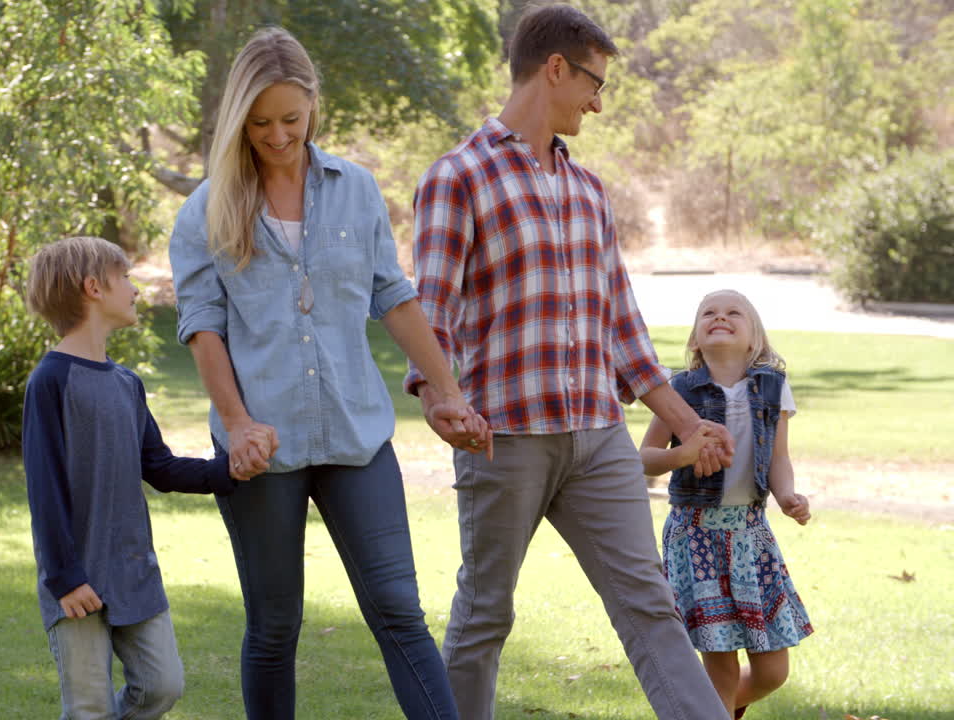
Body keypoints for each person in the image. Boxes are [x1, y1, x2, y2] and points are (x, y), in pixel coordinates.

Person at [406, 5, 739, 719]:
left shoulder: (589, 192)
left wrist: (689, 426)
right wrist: (440, 400)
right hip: (506, 438)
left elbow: (623, 330)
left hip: (597, 437)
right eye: (594, 81)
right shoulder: (457, 177)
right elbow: (429, 315)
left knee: (650, 605)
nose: (598, 99)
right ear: (554, 68)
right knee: (486, 613)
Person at [169, 27, 488, 720]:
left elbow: (394, 298)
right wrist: (237, 423)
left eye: (290, 118)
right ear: (238, 119)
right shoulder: (204, 212)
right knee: (275, 627)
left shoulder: (357, 190)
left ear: (314, 104)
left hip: (356, 435)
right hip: (262, 449)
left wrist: (449, 392)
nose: (277, 135)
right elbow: (203, 328)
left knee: (400, 610)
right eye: (259, 123)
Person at [21, 235, 270, 720]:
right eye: (126, 278)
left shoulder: (125, 383)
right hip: (75, 578)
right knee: (89, 707)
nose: (135, 289)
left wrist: (229, 470)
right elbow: (44, 489)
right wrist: (65, 577)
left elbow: (159, 466)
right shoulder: (50, 381)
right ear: (93, 287)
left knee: (162, 686)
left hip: (135, 573)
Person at [640, 289, 814, 718]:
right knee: (719, 667)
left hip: (752, 536)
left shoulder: (773, 387)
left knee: (773, 671)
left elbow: (778, 458)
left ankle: (707, 713)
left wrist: (787, 494)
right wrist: (680, 456)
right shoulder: (676, 390)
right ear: (695, 339)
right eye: (708, 313)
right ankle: (711, 710)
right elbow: (643, 458)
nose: (720, 317)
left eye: (734, 312)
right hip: (695, 535)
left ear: (754, 337)